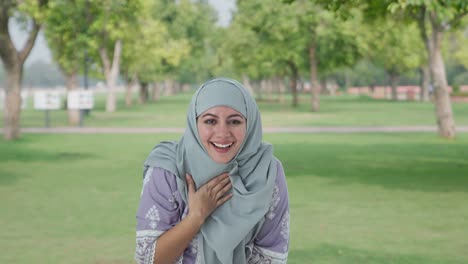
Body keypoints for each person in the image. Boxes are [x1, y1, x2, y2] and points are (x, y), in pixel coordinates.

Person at [135, 77, 290, 264]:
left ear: (250, 124)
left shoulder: (266, 171)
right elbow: (148, 260)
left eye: (234, 122)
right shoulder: (168, 169)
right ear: (195, 122)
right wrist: (195, 217)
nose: (223, 133)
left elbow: (271, 255)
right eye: (210, 121)